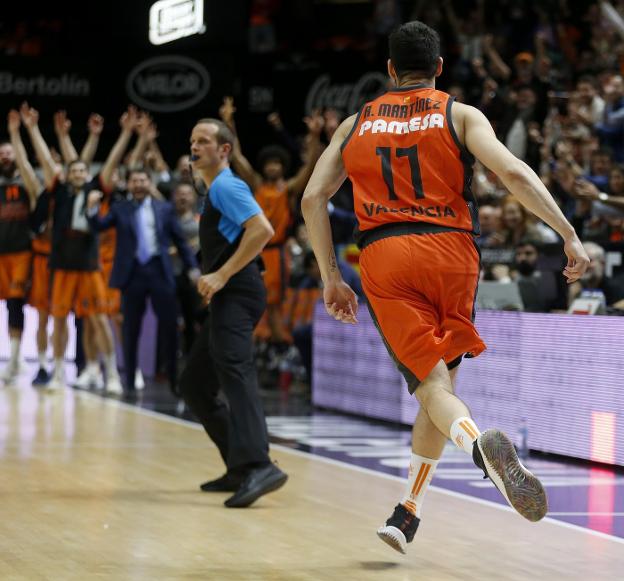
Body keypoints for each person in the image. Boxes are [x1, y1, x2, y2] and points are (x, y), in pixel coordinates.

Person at [301, 21, 589, 554]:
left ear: (390, 71)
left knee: (432, 390)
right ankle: (407, 511)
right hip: (454, 253)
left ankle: (478, 448)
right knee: (440, 389)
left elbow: (313, 198)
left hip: (387, 255)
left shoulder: (354, 123)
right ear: (438, 68)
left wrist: (330, 277)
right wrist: (568, 233)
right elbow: (514, 174)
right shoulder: (459, 113)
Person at [179, 117, 287, 508]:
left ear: (224, 150)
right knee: (194, 383)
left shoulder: (227, 185)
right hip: (229, 296)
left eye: (204, 140)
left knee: (236, 375)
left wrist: (222, 274)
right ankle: (240, 466)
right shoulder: (212, 189)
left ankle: (260, 464)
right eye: (193, 140)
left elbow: (262, 230)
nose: (196, 147)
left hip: (238, 293)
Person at [21, 103, 132, 393]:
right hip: (61, 265)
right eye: (75, 170)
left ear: (88, 174)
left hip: (89, 264)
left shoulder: (97, 189)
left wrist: (125, 133)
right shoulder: (57, 190)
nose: (80, 173)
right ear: (68, 175)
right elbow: (47, 159)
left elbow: (111, 161)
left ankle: (111, 374)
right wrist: (33, 129)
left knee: (98, 320)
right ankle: (58, 372)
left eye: (84, 170)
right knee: (59, 321)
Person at [87, 169, 199, 396]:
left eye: (143, 180)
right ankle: (129, 380)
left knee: (170, 327)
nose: (138, 184)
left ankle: (174, 379)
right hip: (133, 273)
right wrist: (91, 208)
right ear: (128, 185)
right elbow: (99, 226)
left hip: (159, 271)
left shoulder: (165, 209)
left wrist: (193, 267)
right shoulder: (120, 208)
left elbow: (181, 241)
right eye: (134, 181)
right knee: (130, 329)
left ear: (150, 182)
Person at [0, 111, 41, 384]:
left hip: (20, 252)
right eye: (2, 153)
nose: (5, 157)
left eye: (9, 153)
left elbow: (27, 169)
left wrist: (17, 135)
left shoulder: (27, 181)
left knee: (16, 305)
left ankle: (14, 360)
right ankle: (15, 360)